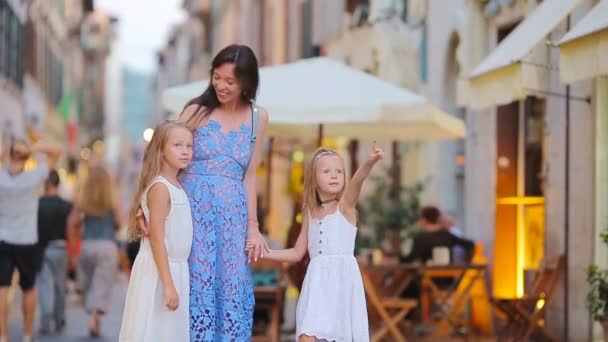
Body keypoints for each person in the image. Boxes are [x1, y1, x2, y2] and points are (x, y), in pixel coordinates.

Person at [140, 44, 269, 340]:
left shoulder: (258, 118)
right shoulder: (196, 111)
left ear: (247, 83)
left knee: (231, 290)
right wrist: (147, 204)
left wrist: (253, 227)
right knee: (194, 287)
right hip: (191, 215)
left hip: (232, 219)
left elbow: (250, 175)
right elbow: (160, 153)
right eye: (217, 77)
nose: (221, 86)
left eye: (230, 81)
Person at [250, 143, 385, 341]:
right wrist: (262, 251)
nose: (334, 175)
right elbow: (297, 253)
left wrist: (370, 162)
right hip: (316, 285)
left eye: (339, 171)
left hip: (342, 283)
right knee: (307, 334)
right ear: (313, 180)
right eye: (327, 171)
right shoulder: (310, 213)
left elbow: (357, 182)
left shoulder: (346, 208)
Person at [119, 121, 194, 341]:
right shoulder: (160, 188)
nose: (185, 150)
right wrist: (168, 284)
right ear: (161, 151)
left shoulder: (176, 185)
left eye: (189, 145)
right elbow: (157, 240)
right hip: (160, 269)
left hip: (175, 269)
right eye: (177, 145)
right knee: (154, 331)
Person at [0, 137, 59, 342]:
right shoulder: (34, 177)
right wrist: (32, 148)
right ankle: (26, 334)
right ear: (26, 157)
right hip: (27, 240)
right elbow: (56, 151)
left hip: (3, 239)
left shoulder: (1, 179)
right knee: (28, 288)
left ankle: (3, 334)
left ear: (9, 154)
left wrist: (7, 151)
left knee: (2, 289)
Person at [69, 166, 124, 337]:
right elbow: (120, 222)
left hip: (87, 246)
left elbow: (73, 222)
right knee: (101, 284)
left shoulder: (83, 200)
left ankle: (95, 319)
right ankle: (94, 317)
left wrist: (73, 250)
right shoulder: (113, 201)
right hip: (107, 247)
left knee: (90, 283)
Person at [36, 169, 73, 334]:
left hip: (41, 248)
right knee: (59, 286)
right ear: (58, 184)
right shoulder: (66, 205)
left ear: (46, 184)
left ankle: (45, 321)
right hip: (60, 248)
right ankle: (59, 320)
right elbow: (72, 229)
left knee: (44, 285)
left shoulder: (37, 204)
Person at [401, 206, 475, 264]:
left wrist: (398, 258)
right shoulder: (447, 235)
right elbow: (470, 244)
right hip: (449, 278)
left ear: (424, 220)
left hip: (427, 279)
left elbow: (410, 259)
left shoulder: (421, 238)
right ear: (437, 218)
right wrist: (467, 263)